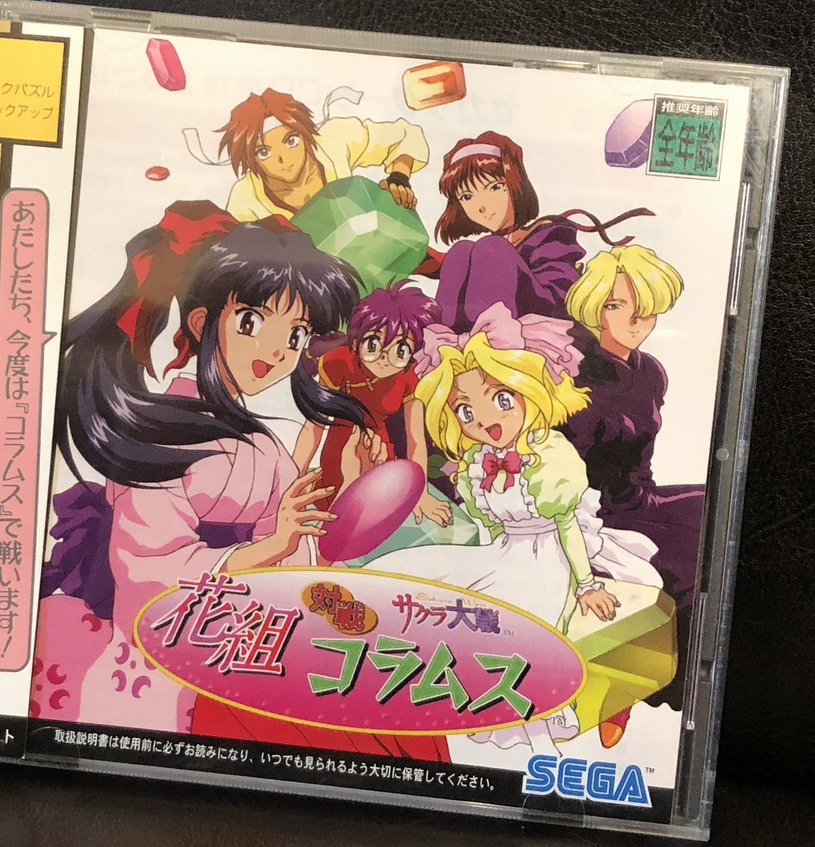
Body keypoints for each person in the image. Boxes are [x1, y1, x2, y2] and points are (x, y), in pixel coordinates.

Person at [32, 200, 448, 761]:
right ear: (202, 323)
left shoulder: (263, 445)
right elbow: (149, 574)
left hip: (255, 629)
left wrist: (346, 486)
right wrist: (271, 547)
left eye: (297, 335)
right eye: (252, 322)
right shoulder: (158, 436)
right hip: (176, 651)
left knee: (395, 705)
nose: (276, 350)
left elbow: (298, 547)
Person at [366, 303, 662, 753]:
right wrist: (479, 563)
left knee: (513, 632)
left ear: (529, 390)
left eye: (501, 399)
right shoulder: (477, 462)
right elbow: (488, 527)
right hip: (503, 551)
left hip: (551, 558)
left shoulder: (550, 455)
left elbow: (566, 525)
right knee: (407, 573)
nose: (485, 420)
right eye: (465, 411)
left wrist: (585, 586)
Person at [562, 245, 703, 742]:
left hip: (640, 499)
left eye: (644, 306)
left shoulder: (651, 372)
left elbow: (641, 460)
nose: (635, 319)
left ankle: (663, 683)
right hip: (593, 514)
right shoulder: (574, 374)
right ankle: (635, 684)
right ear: (595, 308)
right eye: (617, 305)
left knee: (716, 515)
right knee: (688, 558)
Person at [432, 131, 651, 331]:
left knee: (491, 248)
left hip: (540, 326)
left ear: (515, 184)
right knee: (460, 251)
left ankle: (493, 340)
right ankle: (448, 339)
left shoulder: (549, 235)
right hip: (473, 334)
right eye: (467, 197)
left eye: (495, 187)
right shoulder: (475, 252)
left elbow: (560, 299)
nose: (482, 205)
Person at [301, 279, 452, 527]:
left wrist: (420, 493)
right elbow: (314, 427)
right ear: (357, 340)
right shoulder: (339, 362)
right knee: (338, 509)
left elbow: (415, 439)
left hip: (379, 454)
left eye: (400, 350)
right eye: (373, 344)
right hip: (337, 452)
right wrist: (294, 477)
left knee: (373, 510)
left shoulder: (409, 376)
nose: (384, 358)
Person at [218, 88, 428, 220]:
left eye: (291, 141)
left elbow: (404, 134)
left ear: (305, 134)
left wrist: (399, 178)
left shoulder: (333, 139)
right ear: (249, 159)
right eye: (263, 152)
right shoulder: (245, 199)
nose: (282, 159)